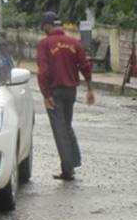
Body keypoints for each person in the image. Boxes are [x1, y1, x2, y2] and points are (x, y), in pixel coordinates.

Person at [36, 11, 95, 181]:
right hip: (71, 91)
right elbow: (85, 65)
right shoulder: (73, 42)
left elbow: (43, 71)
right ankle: (72, 163)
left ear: (47, 26)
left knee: (59, 129)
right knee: (67, 126)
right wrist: (90, 88)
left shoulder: (45, 44)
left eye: (44, 27)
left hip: (54, 91)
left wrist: (46, 95)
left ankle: (68, 169)